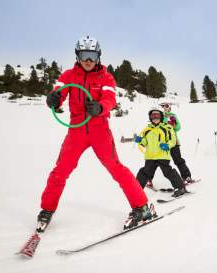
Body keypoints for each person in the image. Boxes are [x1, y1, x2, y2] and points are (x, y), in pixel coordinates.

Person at [38, 35, 156, 232]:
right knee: (61, 170)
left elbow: (110, 99)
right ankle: (47, 210)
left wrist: (100, 107)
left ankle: (142, 207)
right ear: (77, 56)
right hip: (76, 130)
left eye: (92, 55)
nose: (88, 61)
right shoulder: (68, 76)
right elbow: (58, 93)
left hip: (99, 129)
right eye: (84, 55)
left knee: (116, 168)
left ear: (98, 56)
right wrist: (53, 99)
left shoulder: (106, 77)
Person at [135, 109, 187, 197]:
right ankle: (136, 190)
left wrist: (167, 145)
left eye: (157, 116)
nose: (155, 117)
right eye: (153, 116)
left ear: (161, 117)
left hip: (162, 155)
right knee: (144, 172)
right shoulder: (147, 129)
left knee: (168, 172)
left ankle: (180, 188)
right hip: (150, 156)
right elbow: (145, 143)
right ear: (150, 117)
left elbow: (172, 140)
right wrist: (140, 140)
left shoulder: (167, 127)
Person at [159, 102, 194, 183]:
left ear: (169, 107)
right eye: (163, 106)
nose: (165, 108)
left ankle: (186, 176)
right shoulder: (159, 116)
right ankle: (148, 179)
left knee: (178, 159)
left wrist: (173, 123)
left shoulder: (173, 115)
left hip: (174, 142)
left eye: (167, 106)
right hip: (162, 143)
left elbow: (178, 128)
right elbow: (159, 126)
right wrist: (166, 121)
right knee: (158, 161)